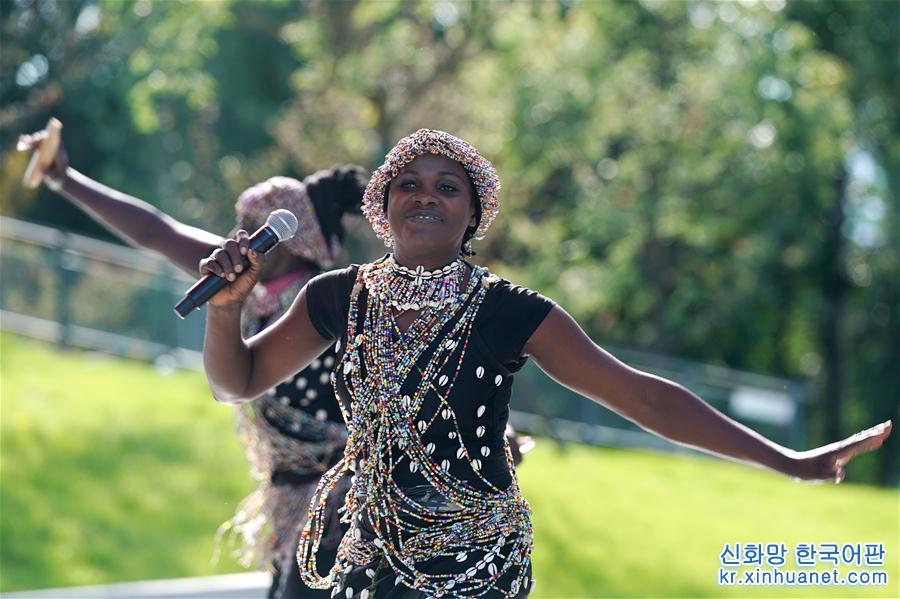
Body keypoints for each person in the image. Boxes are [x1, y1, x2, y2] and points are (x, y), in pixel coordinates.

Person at [197, 129, 891, 598]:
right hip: (362, 555)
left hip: (470, 567)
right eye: (408, 184)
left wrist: (792, 461)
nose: (426, 195)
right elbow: (240, 380)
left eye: (447, 186)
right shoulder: (337, 297)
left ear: (473, 215)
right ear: (382, 209)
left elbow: (645, 399)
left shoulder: (510, 312)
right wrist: (227, 308)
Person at [18, 126, 369, 598]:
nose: (241, 236)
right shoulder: (247, 283)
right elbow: (155, 231)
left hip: (342, 512)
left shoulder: (330, 302)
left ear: (295, 240)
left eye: (259, 226)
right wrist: (64, 178)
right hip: (292, 507)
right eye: (241, 221)